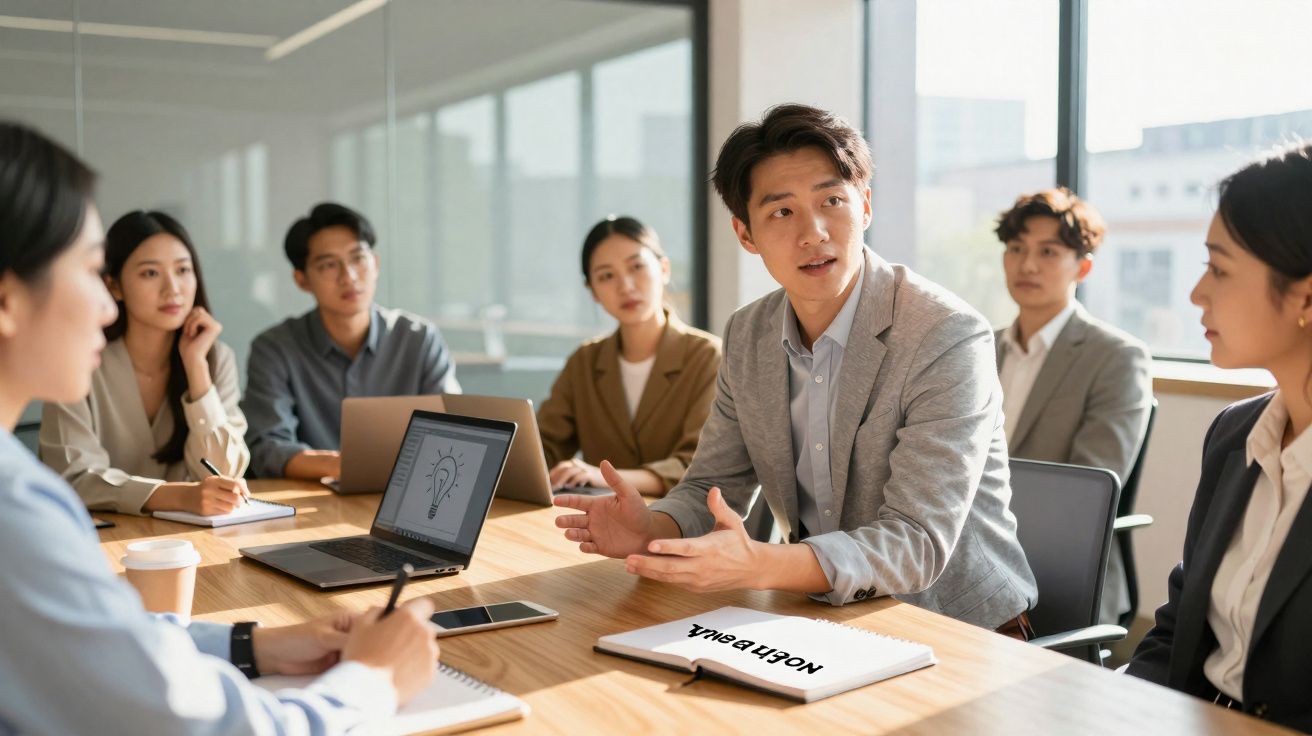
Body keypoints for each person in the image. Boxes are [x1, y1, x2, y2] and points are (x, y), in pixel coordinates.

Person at [0, 121, 440, 734]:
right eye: (91, 270)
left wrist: (252, 644)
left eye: (182, 270)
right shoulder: (16, 515)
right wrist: (375, 679)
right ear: (7, 300)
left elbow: (105, 637)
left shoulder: (18, 495)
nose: (103, 306)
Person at [555, 104, 1037, 633]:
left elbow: (916, 543)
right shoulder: (748, 335)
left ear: (865, 205)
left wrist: (759, 564)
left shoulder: (945, 334)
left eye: (832, 201)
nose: (813, 232)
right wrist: (651, 528)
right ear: (746, 234)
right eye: (782, 212)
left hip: (956, 626)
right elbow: (711, 485)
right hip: (820, 617)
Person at [1126, 142, 1312, 731]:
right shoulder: (1236, 435)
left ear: (1306, 296)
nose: (1196, 293)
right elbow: (1179, 630)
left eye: (1220, 269)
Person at [992, 188, 1152, 623]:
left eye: (1048, 252)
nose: (1027, 265)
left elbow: (1085, 495)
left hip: (1061, 573)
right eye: (1016, 248)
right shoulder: (980, 349)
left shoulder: (1116, 357)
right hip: (970, 563)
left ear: (1082, 267)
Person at [39, 210, 251, 516]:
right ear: (114, 286)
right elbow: (73, 476)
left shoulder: (215, 358)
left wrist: (196, 369)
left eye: (183, 270)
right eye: (150, 273)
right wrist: (176, 497)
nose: (173, 288)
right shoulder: (77, 361)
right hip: (99, 535)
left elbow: (224, 474)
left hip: (193, 537)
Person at [242, 202, 460, 480]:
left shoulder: (419, 339)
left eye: (358, 259)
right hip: (311, 498)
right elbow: (267, 446)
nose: (349, 277)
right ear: (302, 280)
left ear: (375, 264)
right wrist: (344, 467)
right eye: (329, 265)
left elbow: (452, 433)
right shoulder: (274, 348)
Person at [537, 216, 722, 496]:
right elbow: (544, 449)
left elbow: (700, 466)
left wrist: (603, 477)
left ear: (664, 269)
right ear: (592, 291)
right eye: (606, 276)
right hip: (597, 518)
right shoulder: (584, 362)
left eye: (637, 267)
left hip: (679, 519)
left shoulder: (708, 357)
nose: (625, 286)